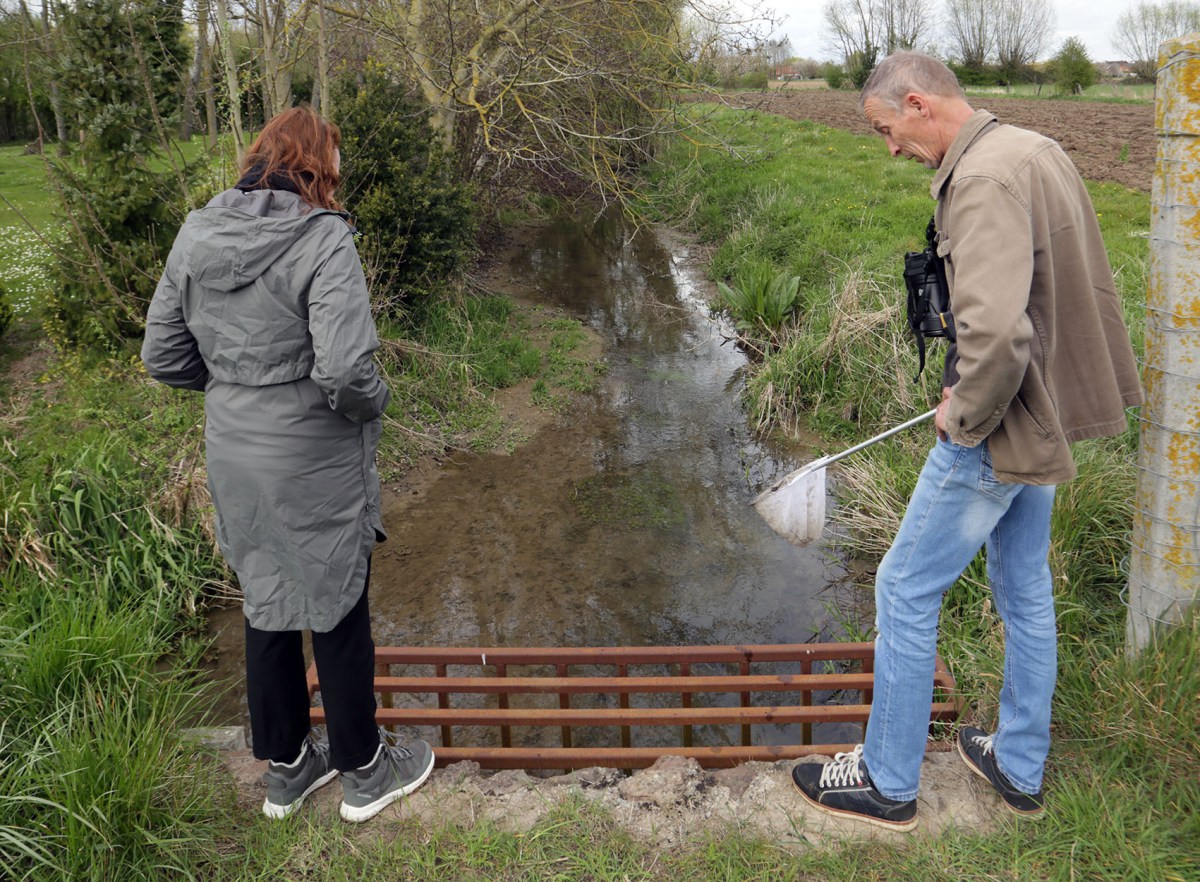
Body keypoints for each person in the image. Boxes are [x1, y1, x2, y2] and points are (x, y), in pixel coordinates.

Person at [791, 52, 1142, 830]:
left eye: (887, 130)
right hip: (1044, 415)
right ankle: (1018, 764)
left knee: (903, 588)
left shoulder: (980, 180)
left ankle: (886, 781)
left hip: (1000, 428)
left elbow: (997, 336)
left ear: (918, 104)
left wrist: (963, 416)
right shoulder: (1031, 148)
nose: (891, 148)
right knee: (1024, 588)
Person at [141, 107, 434, 822]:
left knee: (265, 597)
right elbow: (347, 371)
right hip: (312, 456)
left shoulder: (196, 231)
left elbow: (163, 355)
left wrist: (237, 390)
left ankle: (288, 769)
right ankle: (365, 771)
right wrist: (374, 403)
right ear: (318, 166)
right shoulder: (323, 237)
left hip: (233, 451)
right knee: (336, 602)